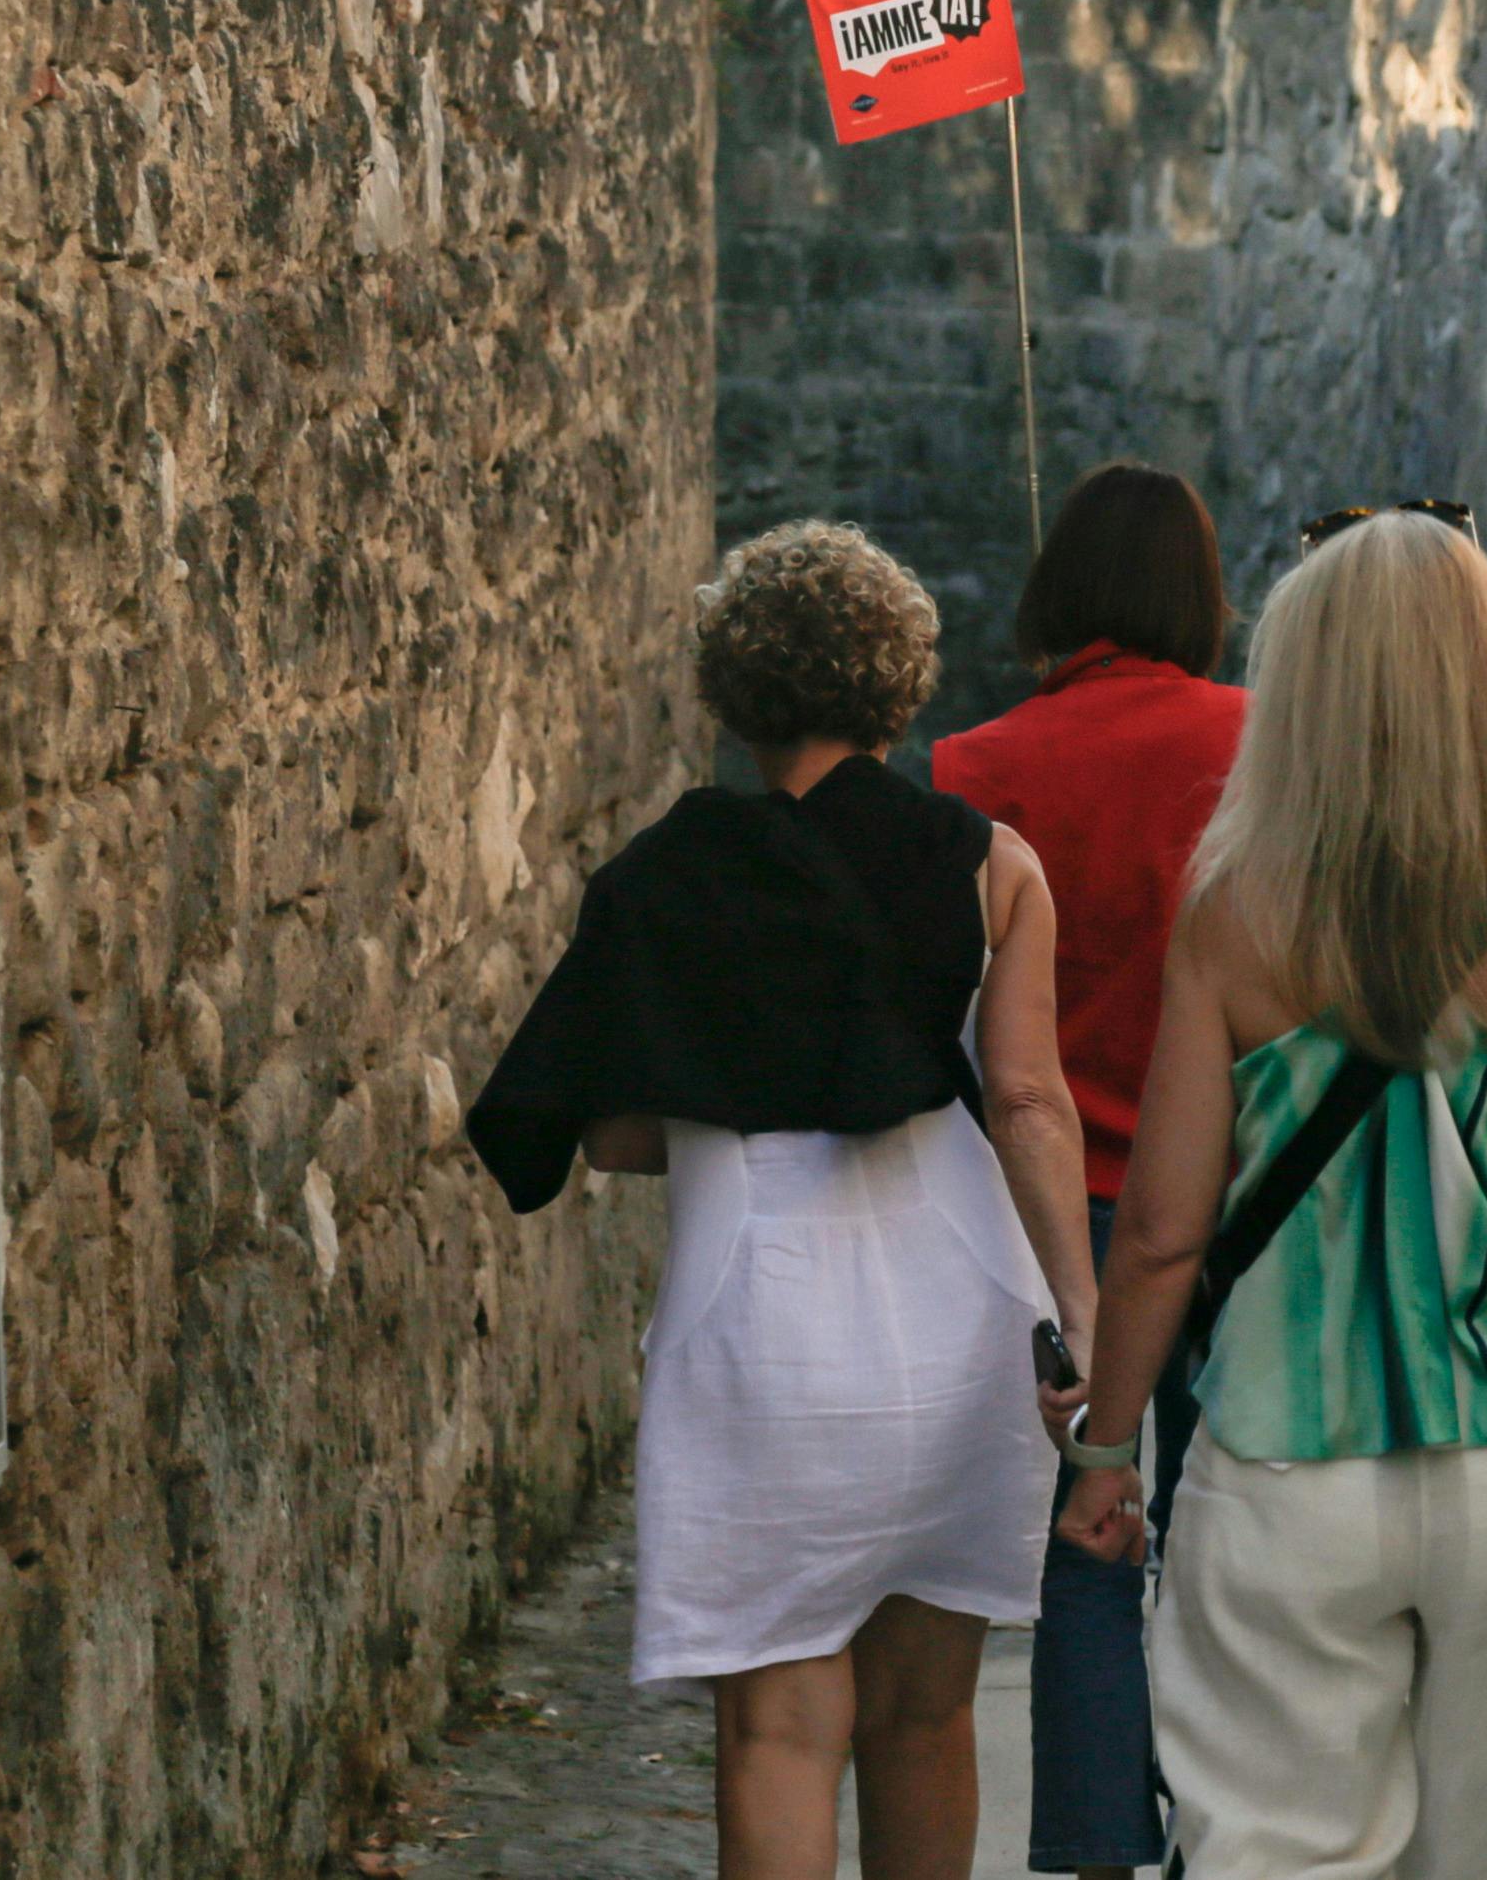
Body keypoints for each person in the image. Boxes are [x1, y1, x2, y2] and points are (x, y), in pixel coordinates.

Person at [1053, 507, 1487, 1880]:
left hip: (1286, 1459)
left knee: (1274, 1845)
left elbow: (1164, 1233)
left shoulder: (1238, 921)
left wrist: (1107, 1446)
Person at [464, 520, 1099, 1880]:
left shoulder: (659, 880)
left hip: (756, 1322)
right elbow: (1032, 1100)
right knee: (927, 1714)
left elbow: (614, 1134)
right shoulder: (992, 864)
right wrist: (1087, 1317)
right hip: (958, 1320)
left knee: (777, 1729)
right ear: (898, 683)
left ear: (734, 688)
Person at [930, 463, 1250, 1880]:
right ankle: (1243, 1829)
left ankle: (1099, 1854)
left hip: (1046, 1216)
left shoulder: (969, 773)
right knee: (1237, 1530)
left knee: (1085, 1537)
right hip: (1237, 1204)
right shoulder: (1261, 744)